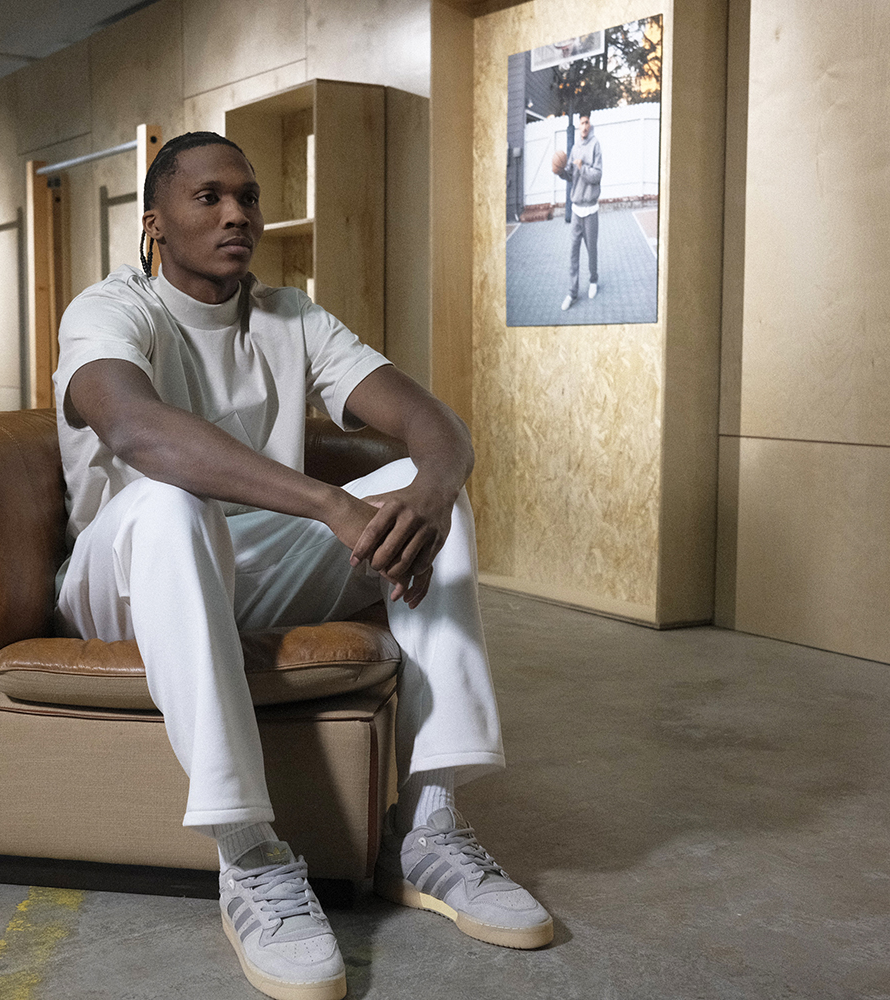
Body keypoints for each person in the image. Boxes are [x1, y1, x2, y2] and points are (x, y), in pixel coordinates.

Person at [52, 131, 551, 1000]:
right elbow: (135, 430)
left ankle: (429, 827)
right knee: (171, 502)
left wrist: (432, 490)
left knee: (415, 496)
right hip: (125, 581)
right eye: (208, 197)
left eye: (247, 196)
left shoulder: (290, 315)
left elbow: (434, 423)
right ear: (155, 222)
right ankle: (248, 854)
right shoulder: (111, 307)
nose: (236, 213)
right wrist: (327, 502)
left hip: (248, 570)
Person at [551, 112, 602, 309]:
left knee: (592, 250)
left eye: (587, 122)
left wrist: (582, 168)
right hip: (576, 211)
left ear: (590, 124)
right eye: (582, 123)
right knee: (573, 252)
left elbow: (597, 175)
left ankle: (593, 280)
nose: (584, 126)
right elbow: (571, 176)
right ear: (579, 125)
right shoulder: (574, 148)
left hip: (591, 209)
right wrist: (561, 172)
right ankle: (572, 293)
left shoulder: (595, 145)